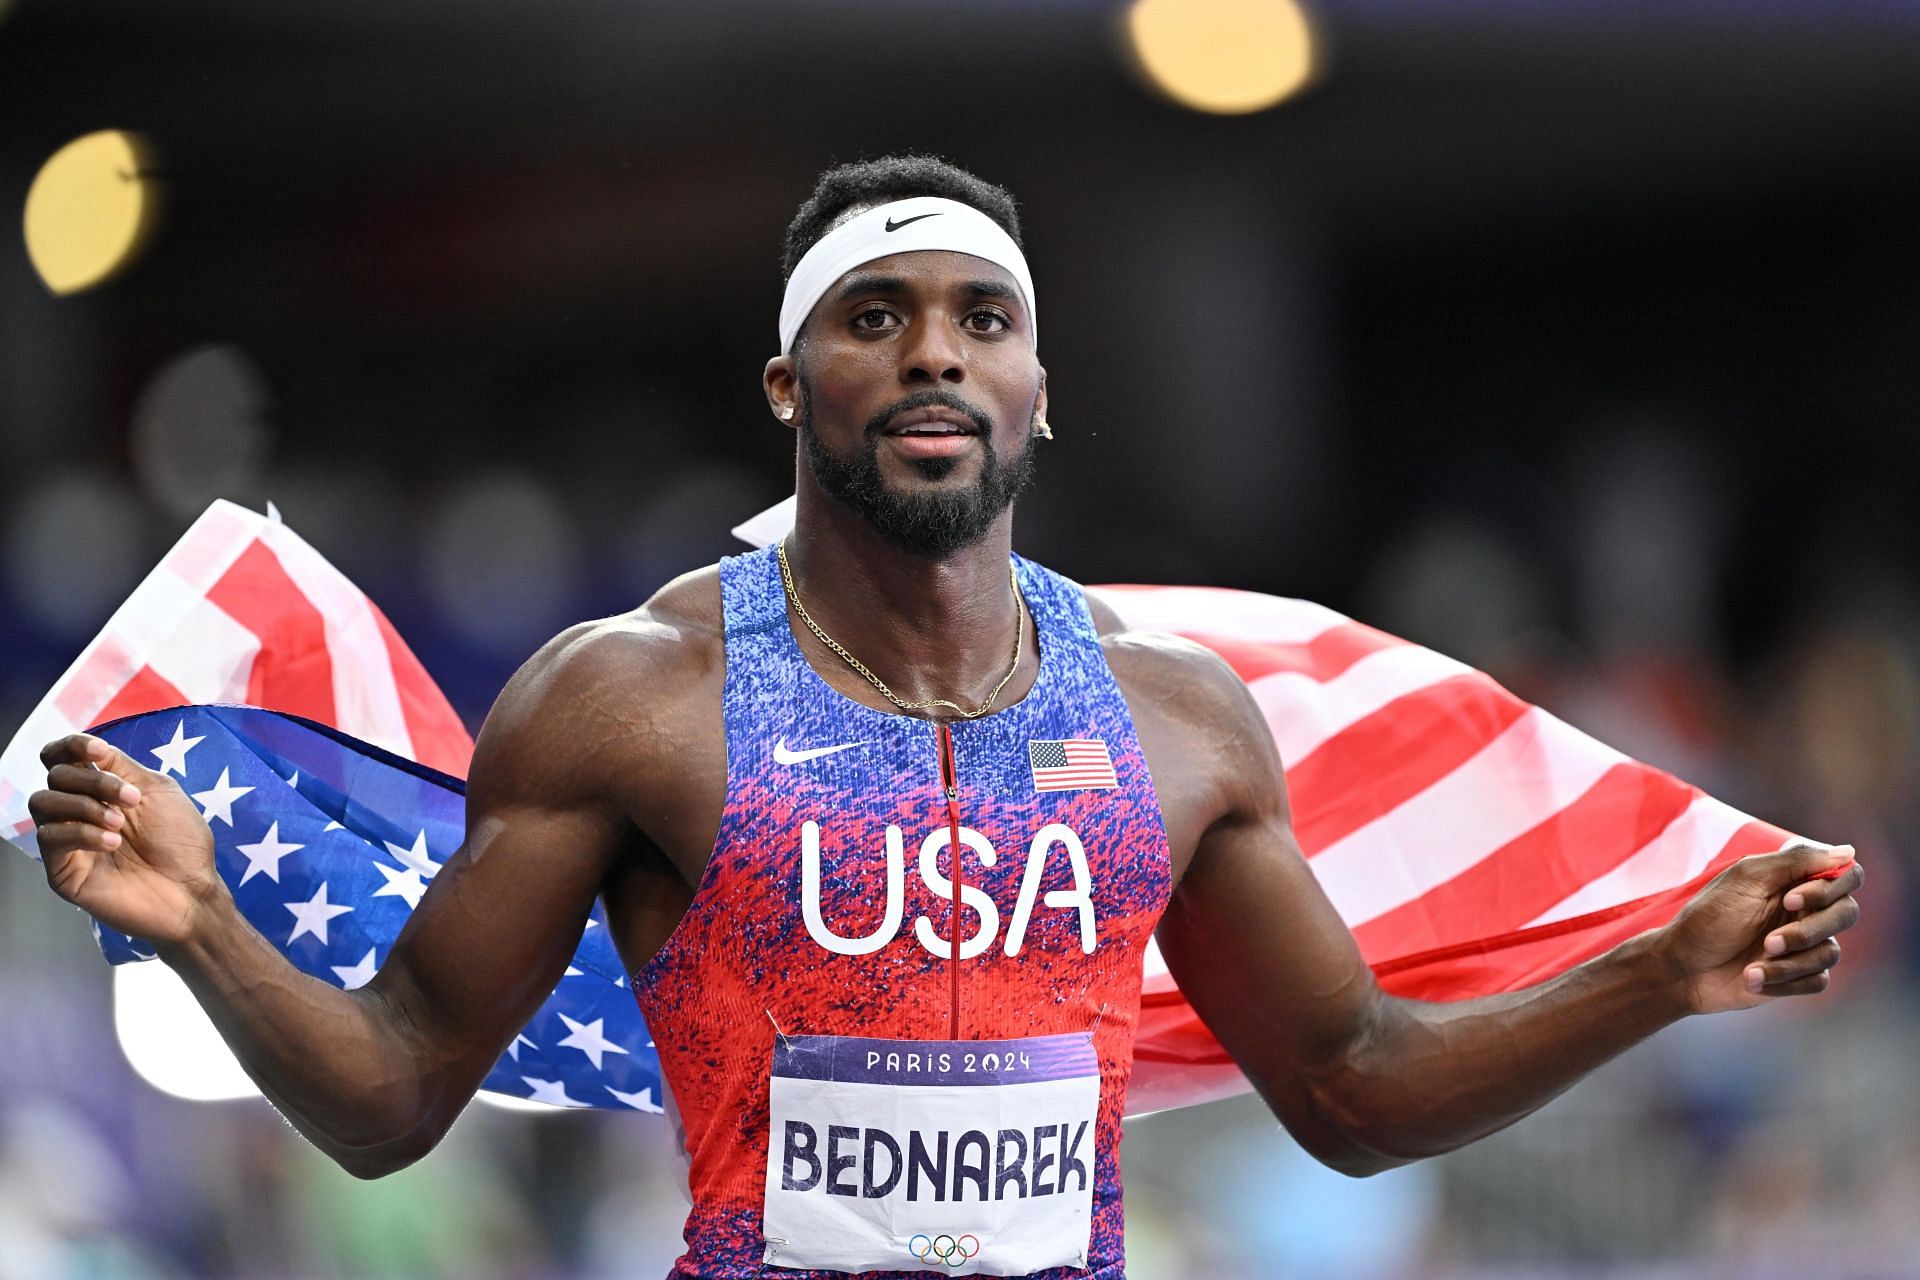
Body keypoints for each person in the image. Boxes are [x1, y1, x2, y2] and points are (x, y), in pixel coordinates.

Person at [29, 155, 1864, 1280]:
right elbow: (397, 1092)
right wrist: (200, 926)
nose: (932, 351)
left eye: (982, 318)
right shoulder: (633, 701)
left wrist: (1653, 976)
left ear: (1039, 390)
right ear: (786, 381)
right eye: (876, 315)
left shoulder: (1182, 724)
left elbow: (1353, 1091)